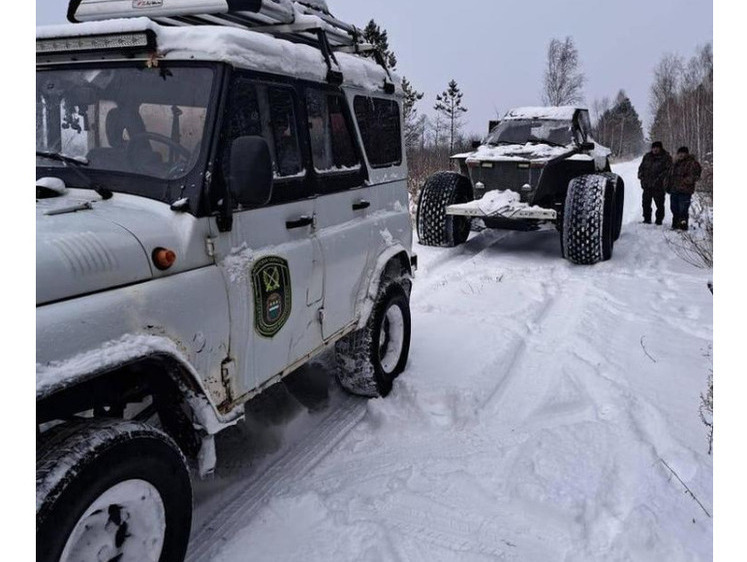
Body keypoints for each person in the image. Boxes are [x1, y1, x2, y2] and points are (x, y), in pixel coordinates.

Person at [666, 146, 702, 231]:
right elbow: (670, 175)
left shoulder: (692, 163)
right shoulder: (675, 163)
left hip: (685, 191)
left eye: (683, 153)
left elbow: (696, 175)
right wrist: (667, 185)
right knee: (674, 208)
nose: (681, 155)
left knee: (683, 210)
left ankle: (683, 226)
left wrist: (687, 181)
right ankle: (675, 225)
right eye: (679, 153)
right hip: (674, 190)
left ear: (687, 154)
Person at [637, 141, 672, 225]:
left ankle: (659, 220)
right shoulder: (647, 156)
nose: (655, 149)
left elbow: (668, 171)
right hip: (647, 185)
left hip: (659, 186)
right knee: (645, 203)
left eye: (657, 148)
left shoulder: (666, 157)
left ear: (660, 148)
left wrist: (660, 179)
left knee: (659, 204)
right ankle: (647, 219)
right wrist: (641, 176)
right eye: (654, 148)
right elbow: (641, 168)